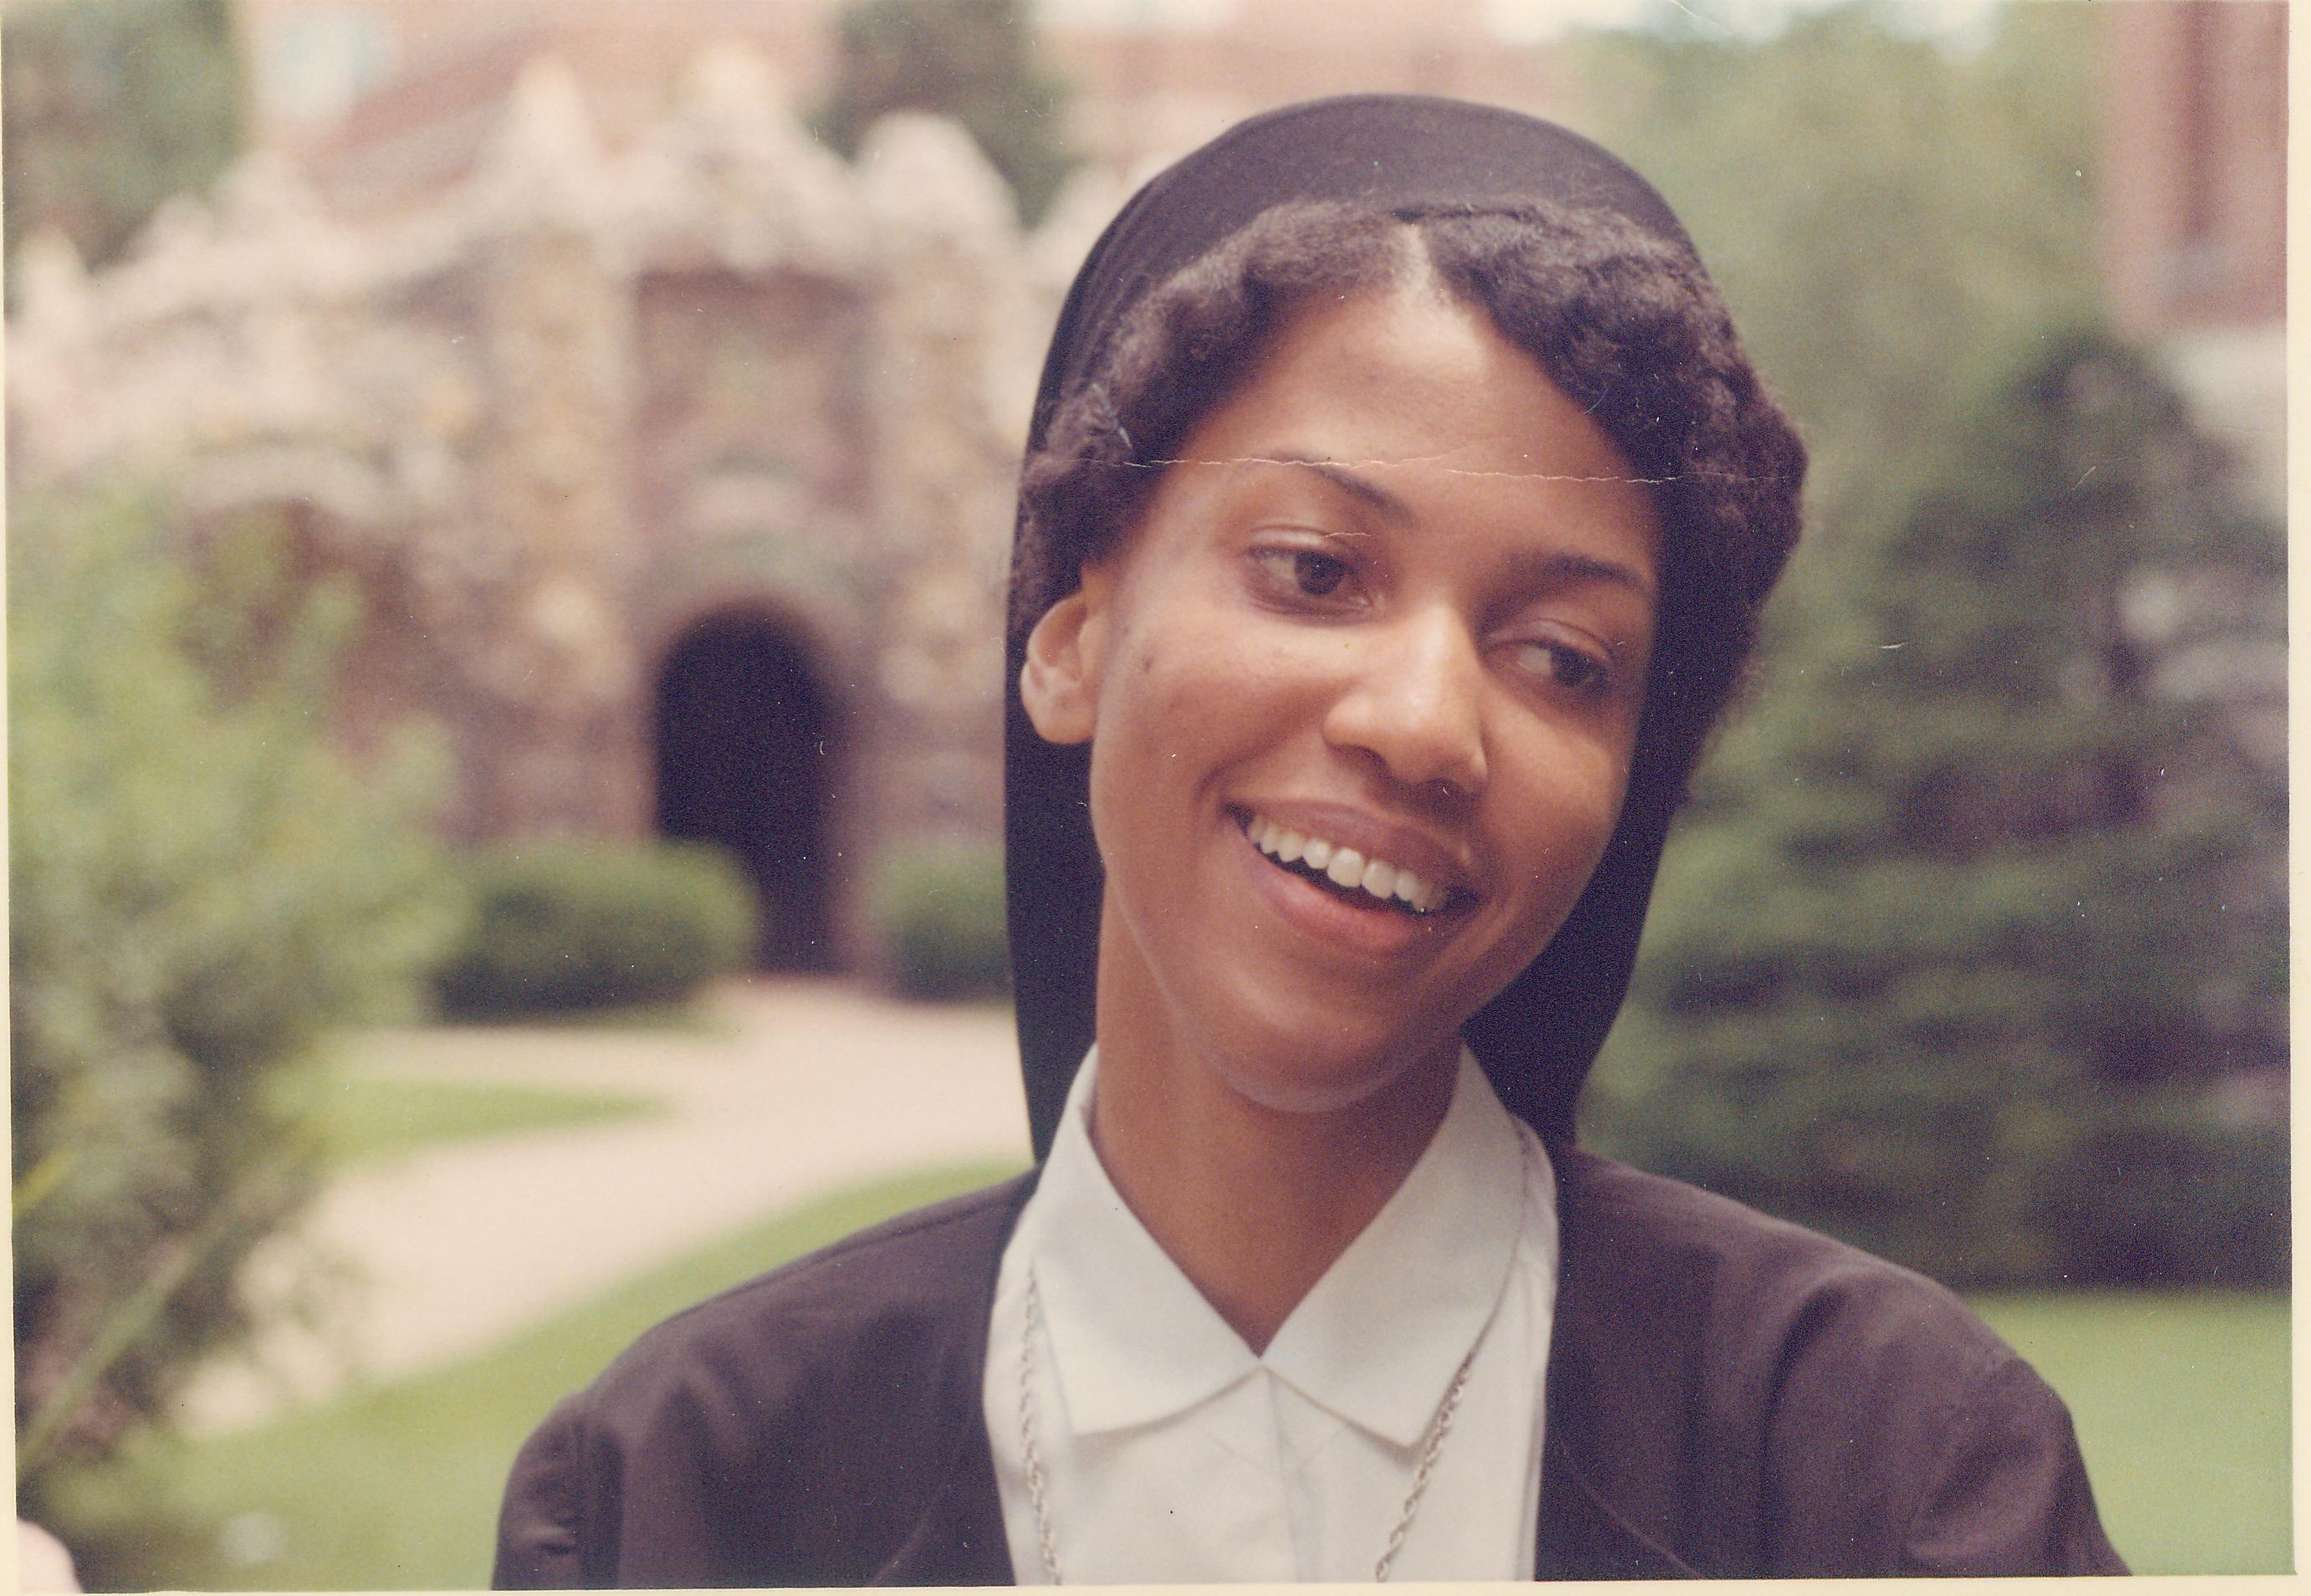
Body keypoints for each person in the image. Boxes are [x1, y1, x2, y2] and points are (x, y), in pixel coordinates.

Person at [493, 95, 2124, 1584]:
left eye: (1561, 659)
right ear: (1066, 634)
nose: (1422, 721)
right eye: (1313, 570)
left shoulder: (1889, 1478)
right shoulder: (682, 1491)